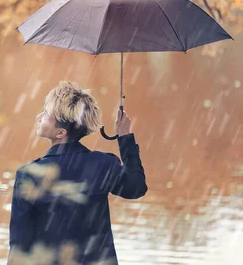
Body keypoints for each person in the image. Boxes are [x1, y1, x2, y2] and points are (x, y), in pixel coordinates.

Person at [8, 81, 147, 265]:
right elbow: (136, 188)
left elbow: (19, 243)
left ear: (61, 133)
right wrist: (125, 137)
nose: (39, 116)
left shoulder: (30, 174)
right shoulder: (103, 164)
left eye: (46, 114)